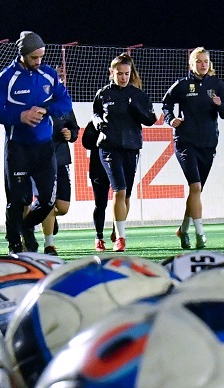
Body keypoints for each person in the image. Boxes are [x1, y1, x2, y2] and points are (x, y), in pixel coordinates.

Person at [0, 31, 72, 253]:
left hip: (45, 147)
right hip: (18, 147)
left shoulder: (49, 74)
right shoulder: (7, 77)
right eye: (34, 57)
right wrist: (20, 117)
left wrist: (46, 109)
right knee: (18, 199)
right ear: (23, 54)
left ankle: (26, 227)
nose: (39, 61)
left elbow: (65, 102)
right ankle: (14, 243)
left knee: (48, 200)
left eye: (41, 57)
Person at [162, 47, 224, 250]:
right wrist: (171, 119)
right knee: (195, 187)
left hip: (208, 143)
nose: (203, 65)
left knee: (197, 191)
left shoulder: (216, 84)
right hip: (185, 143)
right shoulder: (182, 85)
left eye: (206, 61)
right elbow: (166, 104)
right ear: (191, 64)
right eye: (199, 61)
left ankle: (183, 230)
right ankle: (200, 234)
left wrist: (220, 105)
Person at [92, 53, 157, 252]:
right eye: (119, 73)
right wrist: (98, 122)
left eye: (126, 73)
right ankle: (121, 238)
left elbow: (151, 119)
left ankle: (116, 226)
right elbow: (95, 114)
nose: (123, 77)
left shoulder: (139, 95)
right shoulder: (103, 94)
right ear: (111, 73)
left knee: (126, 194)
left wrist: (136, 109)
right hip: (109, 147)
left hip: (131, 147)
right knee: (119, 190)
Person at [41, 73, 79, 256]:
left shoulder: (65, 106)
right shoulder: (37, 103)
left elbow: (75, 128)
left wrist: (70, 134)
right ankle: (49, 245)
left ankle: (44, 217)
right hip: (41, 160)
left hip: (62, 159)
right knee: (47, 202)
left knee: (62, 208)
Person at [81, 119, 112, 250]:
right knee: (100, 203)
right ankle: (99, 237)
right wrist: (98, 131)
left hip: (119, 165)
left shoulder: (123, 120)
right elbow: (86, 143)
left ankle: (118, 232)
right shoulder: (94, 123)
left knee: (122, 198)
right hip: (98, 168)